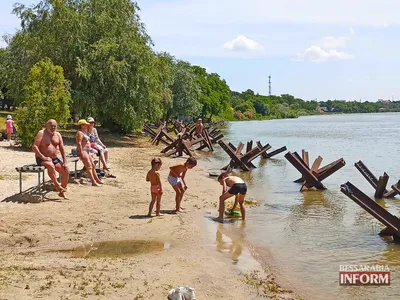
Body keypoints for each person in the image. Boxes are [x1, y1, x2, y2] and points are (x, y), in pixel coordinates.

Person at [32, 119, 69, 199]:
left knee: (66, 171)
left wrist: (65, 162)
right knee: (50, 165)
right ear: (46, 125)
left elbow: (62, 148)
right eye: (51, 126)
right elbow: (34, 147)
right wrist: (43, 157)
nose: (53, 127)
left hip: (54, 158)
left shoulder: (58, 135)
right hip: (41, 158)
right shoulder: (41, 133)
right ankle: (57, 185)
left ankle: (62, 191)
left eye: (54, 126)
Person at [76, 119, 103, 186]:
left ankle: (97, 179)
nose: (87, 125)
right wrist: (81, 152)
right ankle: (93, 182)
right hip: (83, 150)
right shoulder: (79, 133)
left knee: (93, 165)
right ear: (82, 125)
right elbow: (79, 143)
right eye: (85, 124)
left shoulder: (84, 132)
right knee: (89, 166)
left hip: (88, 151)